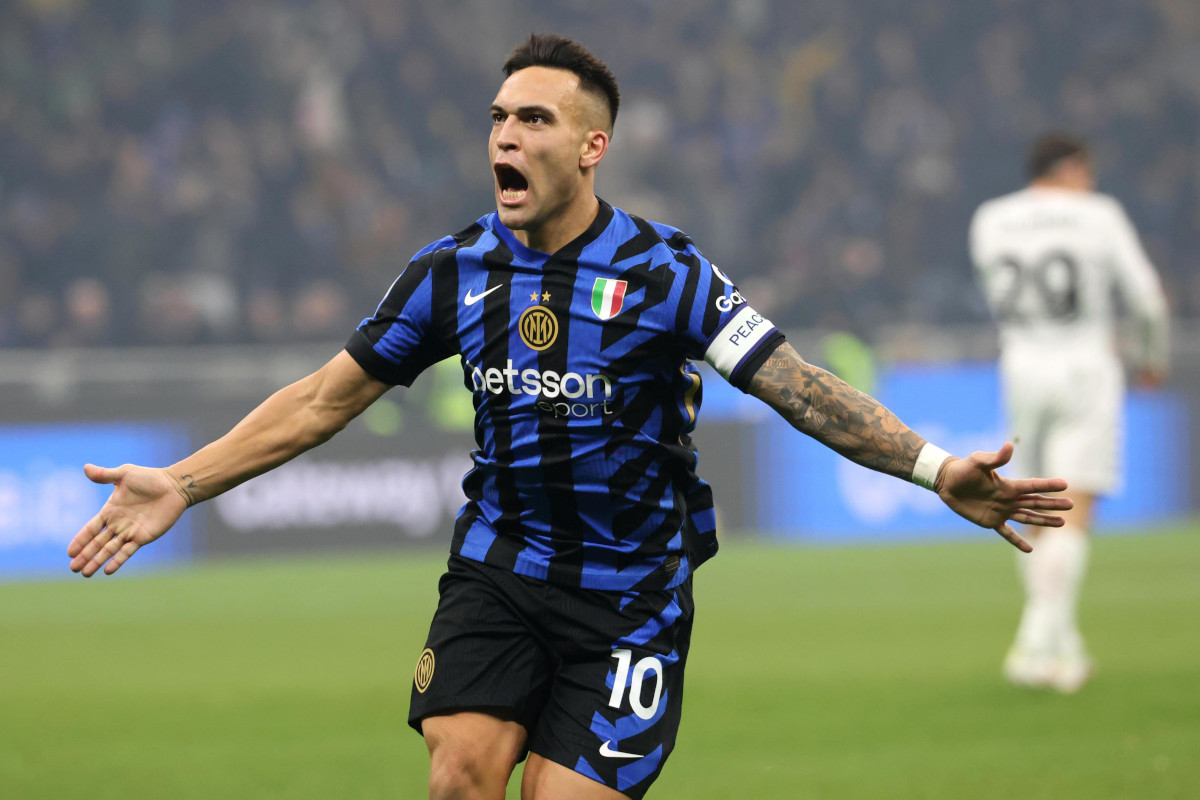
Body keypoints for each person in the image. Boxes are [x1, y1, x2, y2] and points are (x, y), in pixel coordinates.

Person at [70, 35, 1072, 800]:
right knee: (459, 772)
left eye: (536, 120)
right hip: (500, 567)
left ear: (592, 146)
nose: (507, 135)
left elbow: (797, 385)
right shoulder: (454, 270)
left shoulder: (666, 271)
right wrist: (185, 480)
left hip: (631, 592)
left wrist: (939, 468)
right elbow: (325, 398)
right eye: (500, 117)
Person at [970, 133, 1169, 694]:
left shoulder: (990, 219)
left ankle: (1062, 645)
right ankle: (1036, 644)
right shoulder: (1097, 215)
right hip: (1085, 366)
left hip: (1021, 368)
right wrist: (1152, 360)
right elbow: (1149, 300)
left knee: (1029, 505)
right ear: (1073, 167)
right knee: (1073, 509)